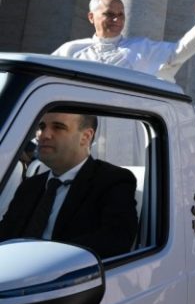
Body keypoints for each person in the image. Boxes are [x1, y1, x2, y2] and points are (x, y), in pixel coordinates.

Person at [0, 111, 137, 259]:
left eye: (58, 127)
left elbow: (114, 242)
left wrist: (43, 259)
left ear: (86, 137)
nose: (43, 135)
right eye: (42, 127)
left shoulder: (112, 181)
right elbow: (6, 232)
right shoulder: (30, 186)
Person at [53, 0, 195, 82]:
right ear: (91, 17)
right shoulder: (71, 51)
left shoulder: (141, 48)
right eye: (109, 14)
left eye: (121, 14)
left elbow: (176, 53)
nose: (117, 19)